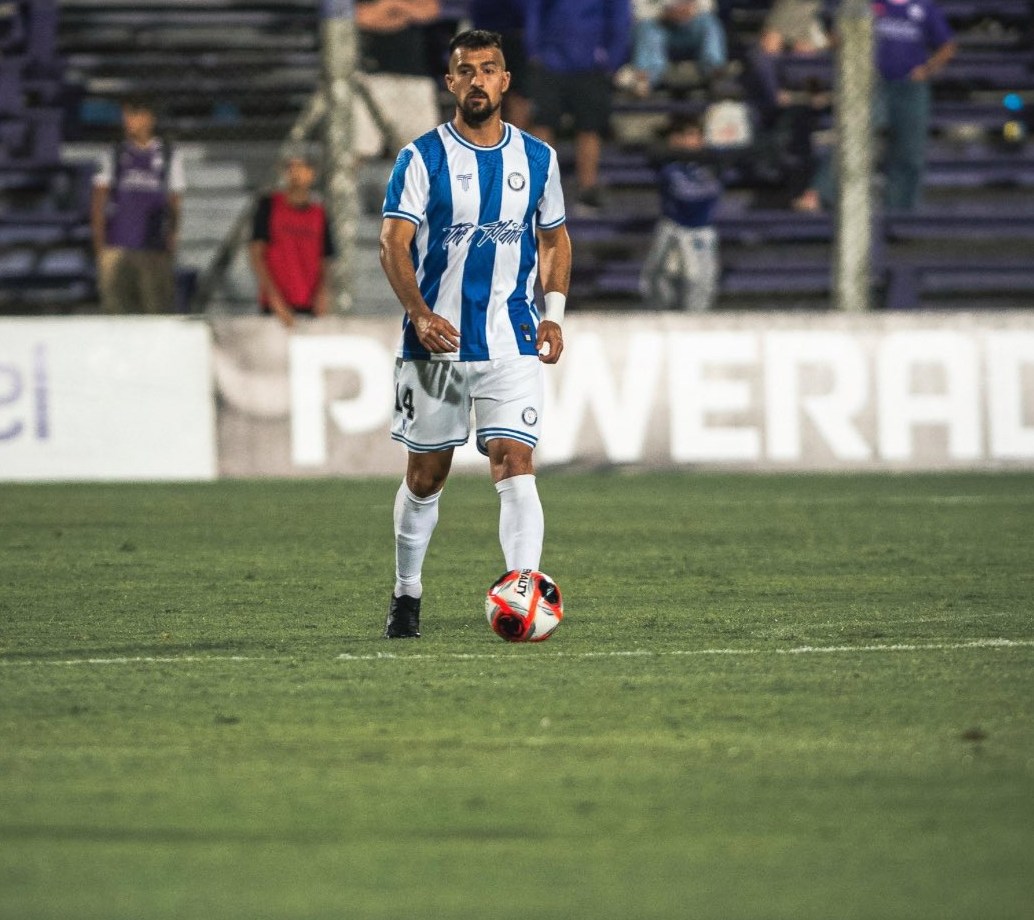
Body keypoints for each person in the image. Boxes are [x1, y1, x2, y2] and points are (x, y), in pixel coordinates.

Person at [379, 29, 571, 639]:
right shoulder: (421, 158)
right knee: (425, 476)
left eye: (490, 69)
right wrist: (418, 312)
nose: (479, 80)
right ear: (452, 82)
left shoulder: (537, 159)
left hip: (511, 340)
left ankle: (523, 591)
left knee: (515, 461)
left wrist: (554, 313)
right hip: (435, 346)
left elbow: (555, 238)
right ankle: (407, 593)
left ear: (505, 80)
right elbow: (394, 242)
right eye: (467, 70)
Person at [792, 0, 956, 213]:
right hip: (871, 84)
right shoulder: (867, 5)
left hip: (909, 87)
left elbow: (947, 45)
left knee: (909, 151)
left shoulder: (923, 8)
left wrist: (927, 69)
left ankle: (901, 212)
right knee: (855, 135)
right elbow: (839, 35)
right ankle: (819, 194)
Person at [524, 0, 632, 211]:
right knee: (542, 124)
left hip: (591, 66)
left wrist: (611, 59)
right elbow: (535, 12)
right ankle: (540, 190)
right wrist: (534, 51)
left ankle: (587, 190)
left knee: (589, 127)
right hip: (551, 62)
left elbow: (620, 20)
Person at [91, 95, 184, 314]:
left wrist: (171, 240)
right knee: (117, 314)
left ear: (148, 118)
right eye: (125, 115)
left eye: (133, 114)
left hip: (153, 249)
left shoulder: (169, 156)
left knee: (156, 314)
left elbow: (175, 204)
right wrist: (100, 249)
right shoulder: (113, 155)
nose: (127, 121)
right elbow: (98, 204)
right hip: (117, 249)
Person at [639, 115, 722, 312]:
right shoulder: (667, 164)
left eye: (697, 136)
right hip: (673, 229)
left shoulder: (714, 164)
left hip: (702, 231)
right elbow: (652, 153)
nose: (694, 141)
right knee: (660, 279)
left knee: (700, 282)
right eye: (688, 135)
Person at [248, 150, 336, 326]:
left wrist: (322, 294)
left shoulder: (319, 213)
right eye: (290, 168)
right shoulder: (269, 205)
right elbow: (256, 254)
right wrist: (274, 299)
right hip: (275, 308)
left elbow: (325, 258)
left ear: (312, 174)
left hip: (309, 305)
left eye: (301, 168)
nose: (295, 173)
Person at [353, 0, 441, 160]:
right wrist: (404, 10)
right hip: (372, 77)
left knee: (425, 155)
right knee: (360, 150)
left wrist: (390, 7)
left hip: (416, 76)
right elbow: (360, 17)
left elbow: (430, 11)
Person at [620, 0, 727, 97]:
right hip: (658, 26)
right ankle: (644, 79)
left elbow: (709, 6)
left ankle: (715, 73)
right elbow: (636, 11)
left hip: (691, 27)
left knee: (710, 23)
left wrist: (691, 10)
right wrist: (663, 12)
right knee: (647, 29)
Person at [470, 0, 532, 130]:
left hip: (518, 36)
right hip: (487, 35)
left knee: (518, 95)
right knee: (488, 93)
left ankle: (515, 144)